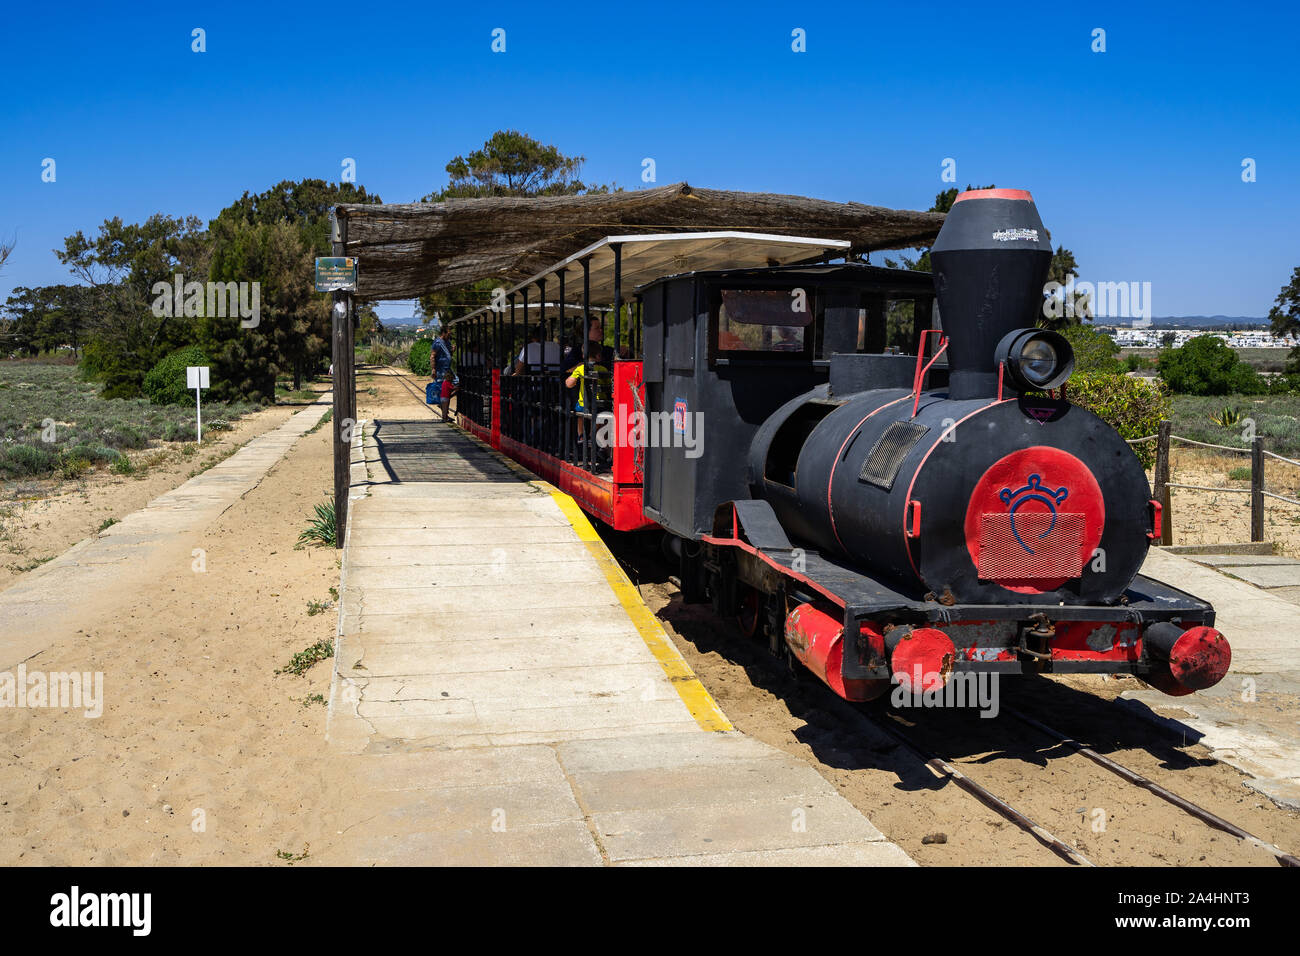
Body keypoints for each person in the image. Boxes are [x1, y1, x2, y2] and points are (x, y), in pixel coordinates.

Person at [431, 325, 456, 422]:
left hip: (447, 370)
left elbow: (449, 355)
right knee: (443, 391)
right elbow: (432, 356)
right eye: (448, 333)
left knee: (452, 387)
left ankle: (443, 406)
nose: (450, 335)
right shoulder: (437, 342)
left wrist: (452, 351)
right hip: (440, 370)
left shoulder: (447, 342)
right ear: (444, 333)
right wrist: (433, 369)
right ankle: (444, 415)